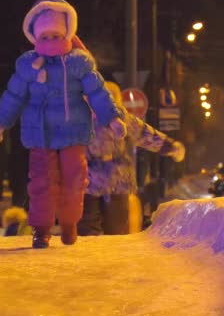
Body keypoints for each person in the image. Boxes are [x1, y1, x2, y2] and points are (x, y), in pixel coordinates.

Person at [0, 0, 126, 248]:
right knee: (42, 182)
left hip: (73, 132)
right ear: (34, 37)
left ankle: (70, 223)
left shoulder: (78, 63)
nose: (50, 41)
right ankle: (40, 229)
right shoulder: (28, 65)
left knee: (75, 179)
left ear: (67, 33)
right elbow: (13, 96)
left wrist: (112, 118)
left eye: (56, 35)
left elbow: (97, 92)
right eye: (45, 36)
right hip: (41, 134)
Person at [78, 82, 185, 235]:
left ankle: (111, 256)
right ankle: (89, 255)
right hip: (88, 181)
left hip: (115, 181)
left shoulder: (121, 119)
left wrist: (170, 147)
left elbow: (144, 134)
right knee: (87, 229)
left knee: (116, 228)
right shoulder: (79, 120)